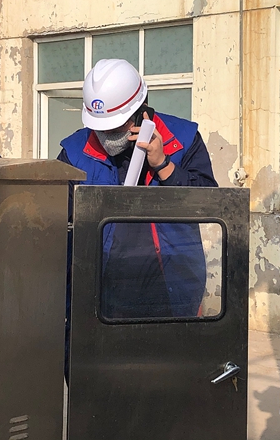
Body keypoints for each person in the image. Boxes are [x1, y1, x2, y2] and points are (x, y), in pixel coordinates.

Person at [57, 58, 218, 320]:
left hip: (171, 290)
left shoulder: (182, 139)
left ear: (140, 109)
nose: (107, 134)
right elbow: (56, 225)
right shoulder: (75, 151)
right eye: (100, 128)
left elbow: (209, 206)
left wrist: (163, 165)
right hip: (99, 291)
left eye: (115, 126)